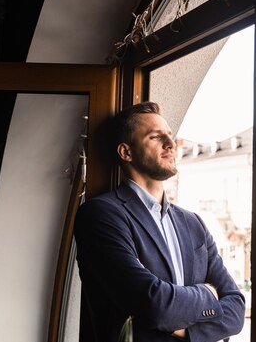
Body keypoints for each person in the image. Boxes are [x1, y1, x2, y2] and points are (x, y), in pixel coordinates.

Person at [73, 101, 245, 342]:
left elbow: (236, 309)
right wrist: (208, 293)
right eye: (155, 137)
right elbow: (155, 305)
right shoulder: (100, 215)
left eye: (170, 136)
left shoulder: (193, 223)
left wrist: (188, 332)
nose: (170, 144)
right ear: (126, 152)